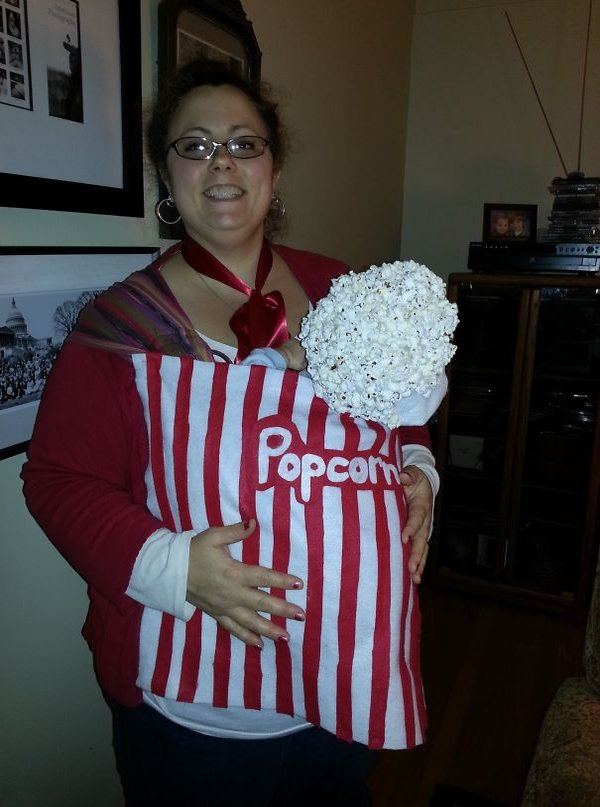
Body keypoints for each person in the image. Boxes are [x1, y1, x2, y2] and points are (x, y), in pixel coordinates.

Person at [22, 59, 441, 806]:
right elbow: (57, 480)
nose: (221, 162)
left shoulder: (339, 289)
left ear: (274, 173)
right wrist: (177, 568)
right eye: (195, 145)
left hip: (339, 677)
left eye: (244, 144)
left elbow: (402, 407)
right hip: (194, 714)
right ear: (166, 174)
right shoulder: (120, 324)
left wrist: (418, 472)